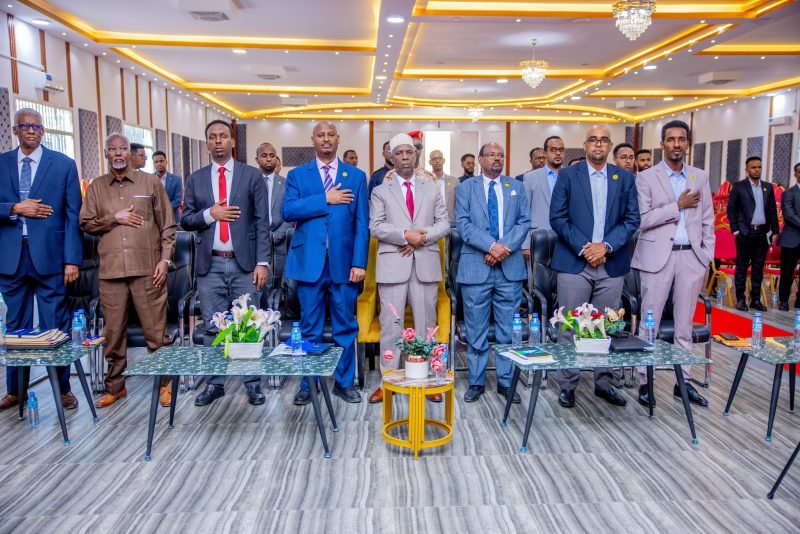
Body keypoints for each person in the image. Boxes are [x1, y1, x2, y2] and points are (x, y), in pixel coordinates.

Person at [80, 133, 176, 407]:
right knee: (113, 334)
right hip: (111, 273)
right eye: (113, 149)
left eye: (123, 148)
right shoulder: (97, 187)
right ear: (106, 154)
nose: (118, 153)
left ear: (131, 154)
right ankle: (115, 387)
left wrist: (164, 261)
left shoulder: (150, 182)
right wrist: (115, 218)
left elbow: (168, 225)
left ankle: (166, 384)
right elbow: (86, 223)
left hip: (148, 270)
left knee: (156, 333)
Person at [550, 125, 640, 408]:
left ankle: (604, 383)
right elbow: (558, 218)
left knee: (604, 326)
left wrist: (606, 246)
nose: (598, 144)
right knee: (570, 326)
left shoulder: (624, 178)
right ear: (585, 145)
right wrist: (586, 248)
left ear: (610, 145)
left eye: (603, 140)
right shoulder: (568, 175)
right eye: (593, 140)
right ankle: (568, 385)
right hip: (574, 263)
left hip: (611, 263)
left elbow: (632, 220)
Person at [181, 120, 270, 407]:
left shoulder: (251, 175)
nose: (218, 141)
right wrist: (210, 214)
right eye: (212, 137)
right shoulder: (196, 179)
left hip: (245, 265)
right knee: (212, 327)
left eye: (223, 136)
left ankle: (252, 383)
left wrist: (263, 262)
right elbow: (186, 220)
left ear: (232, 141)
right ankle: (215, 383)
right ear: (207, 142)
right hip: (210, 265)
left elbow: (262, 222)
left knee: (248, 325)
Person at [0, 108, 82, 411]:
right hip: (11, 257)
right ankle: (15, 391)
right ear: (15, 130)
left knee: (55, 325)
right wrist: (15, 208)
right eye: (25, 126)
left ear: (43, 130)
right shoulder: (2, 164)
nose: (31, 131)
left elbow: (73, 216)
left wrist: (72, 260)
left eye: (36, 126)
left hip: (51, 257)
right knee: (15, 327)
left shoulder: (63, 165)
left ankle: (63, 388)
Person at [282, 121, 369, 405]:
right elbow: (288, 210)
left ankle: (344, 383)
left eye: (331, 135)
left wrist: (360, 263)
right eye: (321, 135)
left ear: (338, 139)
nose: (326, 139)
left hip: (344, 265)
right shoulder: (297, 175)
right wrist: (325, 199)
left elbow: (362, 223)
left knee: (345, 326)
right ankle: (309, 384)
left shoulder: (355, 176)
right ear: (313, 140)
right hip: (310, 264)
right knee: (310, 328)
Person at [632, 120, 713, 408]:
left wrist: (705, 255)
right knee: (649, 323)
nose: (676, 144)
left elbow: (708, 220)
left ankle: (684, 382)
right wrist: (676, 206)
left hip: (691, 257)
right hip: (657, 258)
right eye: (671, 139)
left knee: (684, 325)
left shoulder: (699, 177)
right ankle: (645, 381)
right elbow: (641, 220)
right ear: (662, 144)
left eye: (681, 139)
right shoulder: (646, 178)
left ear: (687, 143)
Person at [368, 133, 450, 404]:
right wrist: (405, 235)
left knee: (427, 327)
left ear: (416, 155)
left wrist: (420, 237)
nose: (405, 157)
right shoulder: (380, 191)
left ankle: (428, 379)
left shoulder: (432, 189)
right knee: (391, 327)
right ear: (391, 157)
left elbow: (444, 223)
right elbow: (376, 226)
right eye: (399, 153)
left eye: (409, 152)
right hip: (393, 266)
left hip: (425, 263)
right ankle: (387, 381)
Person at [456, 142, 530, 403]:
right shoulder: (465, 188)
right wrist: (491, 246)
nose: (497, 159)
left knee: (507, 330)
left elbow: (524, 222)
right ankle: (476, 382)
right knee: (475, 329)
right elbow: (463, 224)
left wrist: (503, 248)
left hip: (509, 269)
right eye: (491, 155)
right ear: (480, 159)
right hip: (476, 268)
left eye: (500, 156)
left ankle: (506, 382)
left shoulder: (516, 187)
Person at [726, 156, 779, 311]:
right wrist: (736, 230)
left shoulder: (768, 187)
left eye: (759, 167)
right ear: (747, 169)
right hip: (745, 233)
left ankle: (755, 300)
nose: (757, 170)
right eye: (753, 167)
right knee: (741, 268)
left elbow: (772, 211)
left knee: (758, 268)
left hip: (762, 234)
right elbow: (731, 210)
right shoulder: (739, 187)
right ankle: (741, 300)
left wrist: (775, 231)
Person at [255, 142, 292, 300]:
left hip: (279, 243)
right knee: (257, 287)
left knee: (277, 289)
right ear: (257, 159)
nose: (269, 159)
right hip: (255, 244)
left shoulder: (286, 183)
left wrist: (276, 236)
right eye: (264, 156)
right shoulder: (249, 181)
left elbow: (290, 214)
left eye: (272, 156)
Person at [521, 136, 564, 261]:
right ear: (545, 153)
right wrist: (525, 244)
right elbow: (524, 212)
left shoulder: (571, 176)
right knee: (538, 273)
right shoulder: (530, 177)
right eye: (553, 150)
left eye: (561, 150)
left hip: (565, 239)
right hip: (538, 237)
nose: (558, 153)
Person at [777, 163, 800, 310]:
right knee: (787, 271)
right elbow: (789, 215)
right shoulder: (789, 193)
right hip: (791, 239)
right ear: (795, 174)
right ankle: (784, 301)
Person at [429, 149, 459, 221]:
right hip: (431, 223)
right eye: (434, 159)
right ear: (430, 162)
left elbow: (459, 205)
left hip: (450, 222)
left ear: (443, 160)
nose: (437, 161)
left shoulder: (454, 182)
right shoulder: (426, 181)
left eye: (440, 158)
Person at [152, 150, 182, 223]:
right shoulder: (149, 179)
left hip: (172, 218)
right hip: (154, 220)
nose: (159, 164)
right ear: (153, 164)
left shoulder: (176, 180)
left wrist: (163, 209)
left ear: (166, 162)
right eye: (156, 162)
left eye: (161, 161)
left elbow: (178, 200)